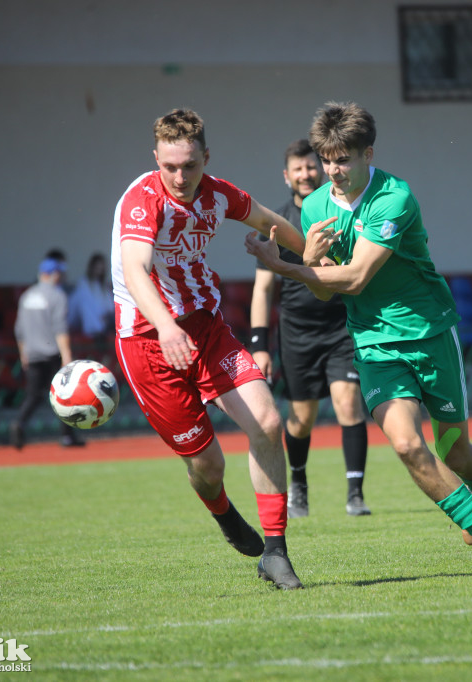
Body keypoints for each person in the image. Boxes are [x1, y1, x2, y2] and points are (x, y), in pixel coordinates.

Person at [246, 101, 472, 579]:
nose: (332, 170)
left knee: (457, 453)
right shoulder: (313, 207)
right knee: (406, 445)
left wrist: (286, 265)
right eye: (327, 159)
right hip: (374, 345)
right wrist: (311, 264)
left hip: (430, 333)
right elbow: (324, 289)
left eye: (343, 159)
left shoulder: (394, 196)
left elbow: (353, 279)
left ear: (367, 153)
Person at [111, 108, 310, 589]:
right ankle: (223, 514)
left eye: (190, 166)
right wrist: (165, 327)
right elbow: (136, 269)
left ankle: (276, 552)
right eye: (170, 166)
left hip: (204, 327)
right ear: (156, 158)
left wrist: (309, 256)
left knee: (268, 421)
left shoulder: (219, 194)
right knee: (208, 465)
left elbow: (271, 221)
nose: (180, 177)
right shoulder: (144, 200)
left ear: (206, 158)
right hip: (147, 341)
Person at [250, 139, 370, 518]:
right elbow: (263, 288)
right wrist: (259, 345)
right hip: (297, 333)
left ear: (322, 169)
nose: (306, 174)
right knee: (301, 418)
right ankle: (298, 484)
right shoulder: (280, 223)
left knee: (348, 404)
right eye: (297, 169)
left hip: (340, 327)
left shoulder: (337, 213)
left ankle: (355, 493)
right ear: (287, 176)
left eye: (310, 167)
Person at [10, 257, 84, 449]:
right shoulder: (57, 296)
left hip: (32, 353)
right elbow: (60, 329)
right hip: (52, 354)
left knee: (33, 395)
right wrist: (67, 356)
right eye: (59, 272)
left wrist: (23, 353)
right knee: (63, 395)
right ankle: (67, 436)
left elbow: (19, 330)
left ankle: (19, 423)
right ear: (52, 274)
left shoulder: (27, 296)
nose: (62, 276)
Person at [69, 252, 115, 340]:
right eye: (97, 268)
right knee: (84, 300)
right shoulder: (83, 284)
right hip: (87, 325)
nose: (99, 271)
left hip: (105, 322)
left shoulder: (104, 286)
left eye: (101, 268)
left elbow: (109, 307)